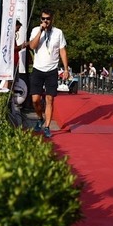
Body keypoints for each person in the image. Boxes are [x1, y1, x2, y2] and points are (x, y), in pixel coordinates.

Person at [28, 8, 68, 138]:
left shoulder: (58, 33)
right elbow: (32, 46)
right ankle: (40, 118)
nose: (45, 21)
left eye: (48, 19)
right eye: (43, 19)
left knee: (49, 99)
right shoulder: (35, 30)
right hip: (38, 69)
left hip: (51, 70)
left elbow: (62, 51)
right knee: (35, 100)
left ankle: (46, 126)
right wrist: (40, 30)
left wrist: (66, 69)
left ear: (52, 19)